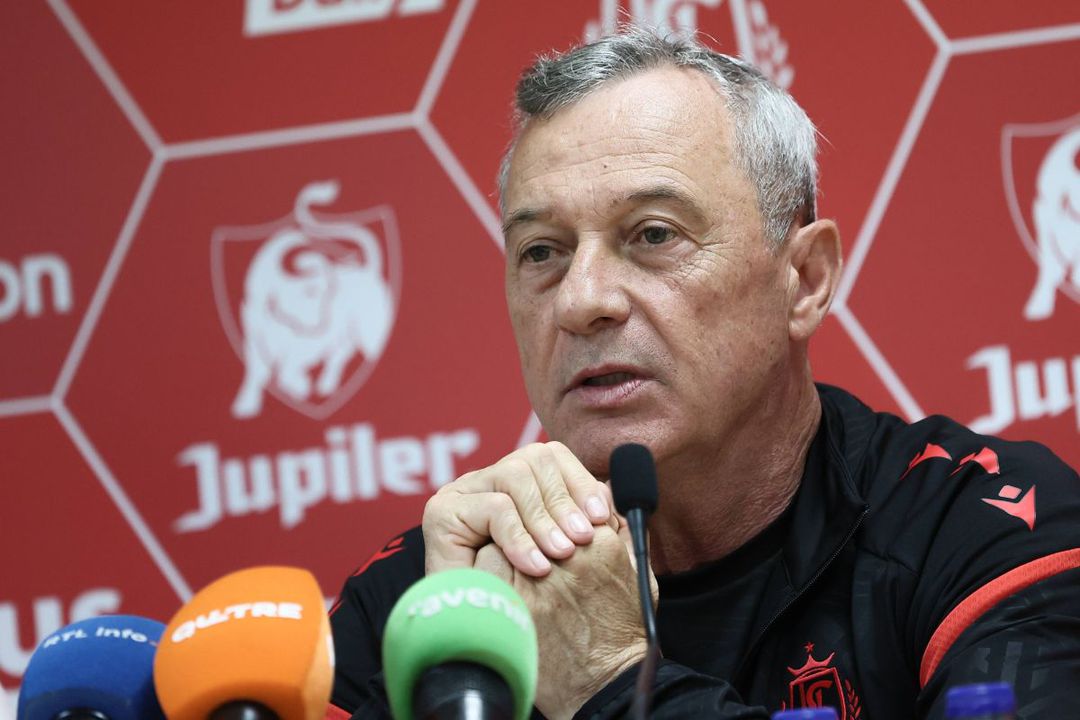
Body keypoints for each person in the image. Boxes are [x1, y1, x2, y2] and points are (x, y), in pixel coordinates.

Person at [326, 27, 1080, 719]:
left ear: (806, 279)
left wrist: (611, 678)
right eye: (542, 252)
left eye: (653, 234)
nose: (581, 301)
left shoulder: (987, 528)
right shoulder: (425, 594)